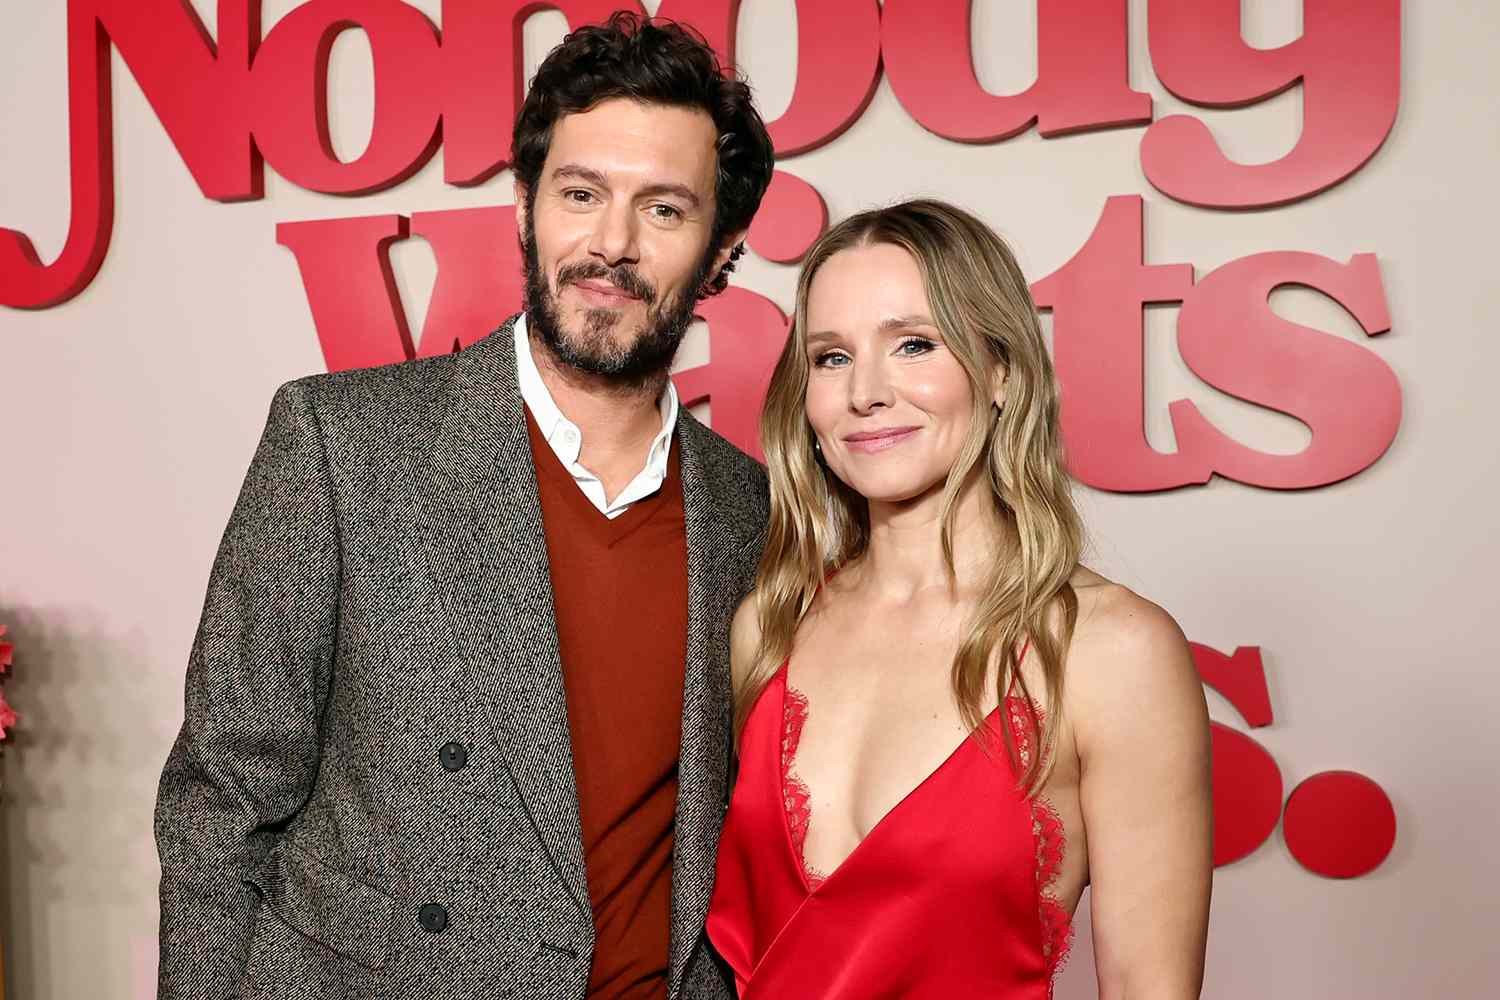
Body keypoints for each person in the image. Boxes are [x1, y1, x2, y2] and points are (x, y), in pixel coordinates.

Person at [155, 14, 774, 1000]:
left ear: (723, 245)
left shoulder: (748, 507)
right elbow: (220, 807)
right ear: (526, 206)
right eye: (582, 194)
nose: (610, 244)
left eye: (664, 210)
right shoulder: (338, 445)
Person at [706, 201, 1213, 998]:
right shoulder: (768, 627)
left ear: (1003, 370)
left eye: (914, 344)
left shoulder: (1113, 650)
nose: (866, 393)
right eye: (831, 358)